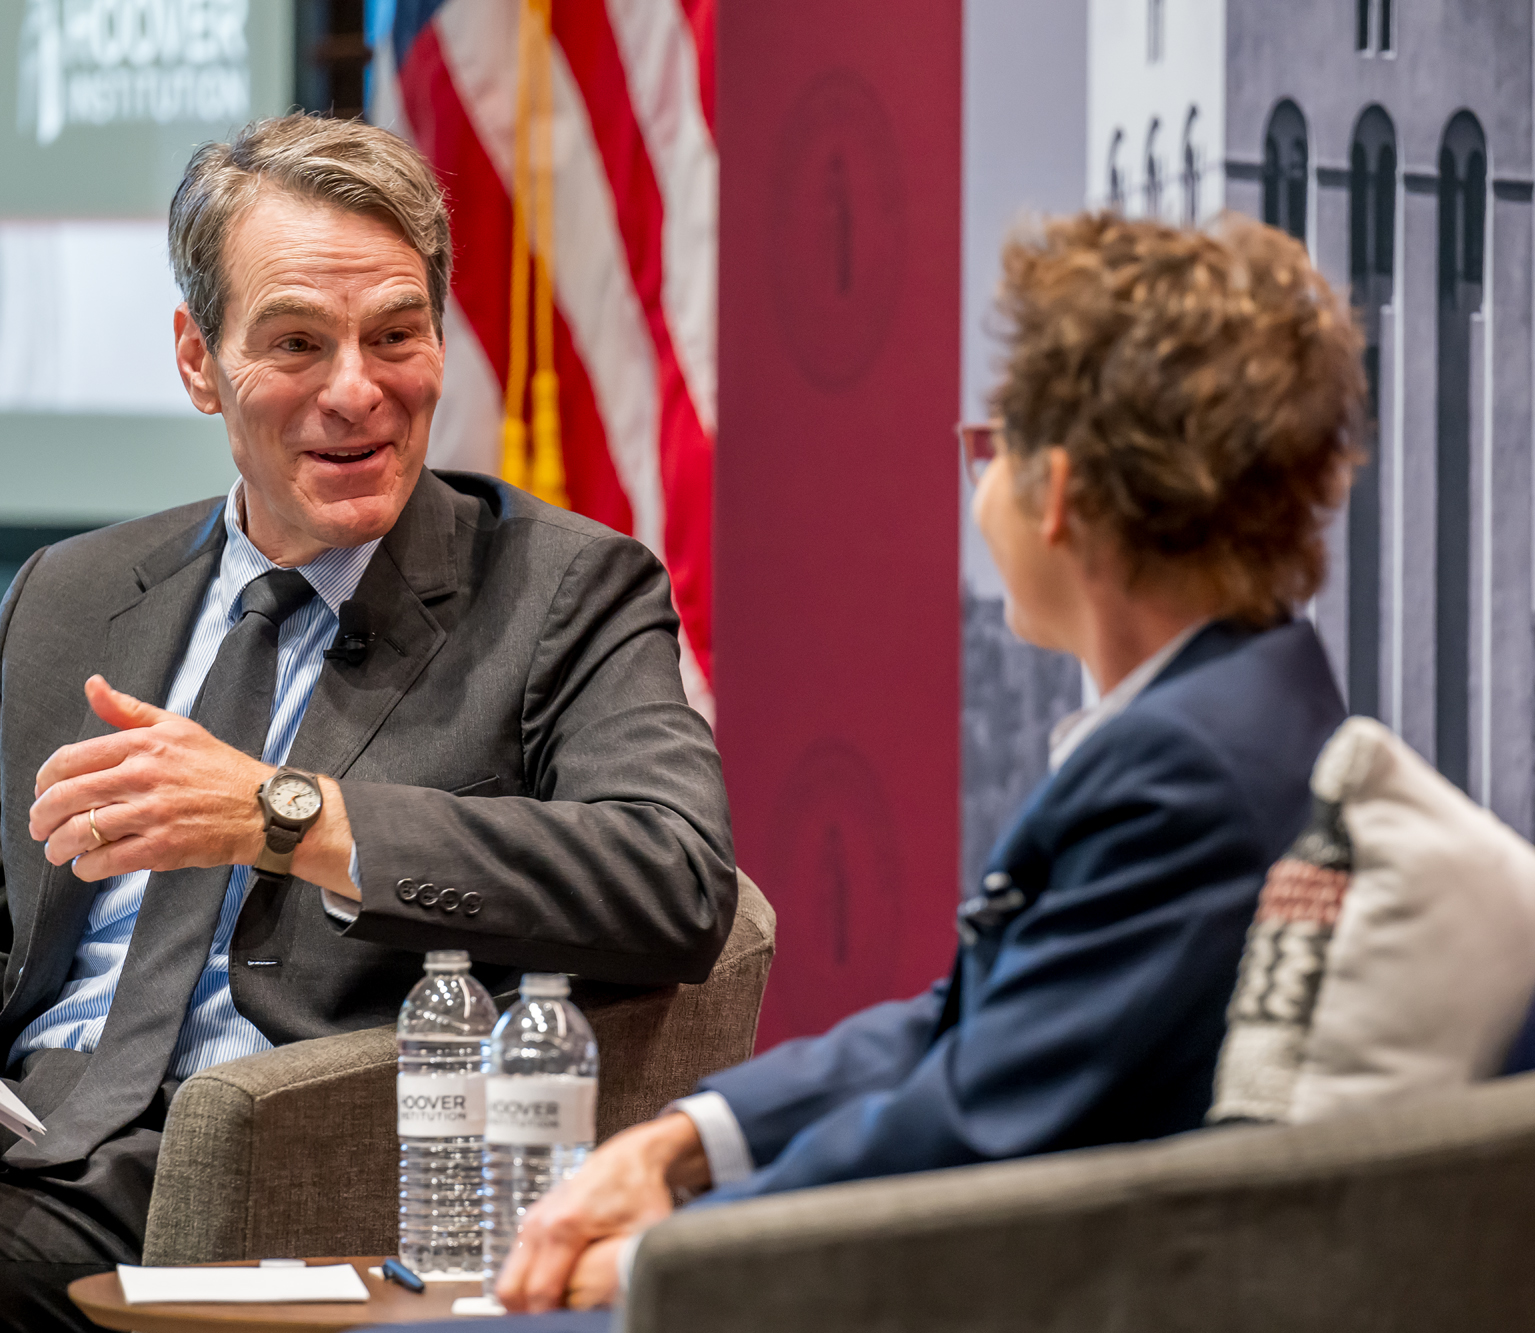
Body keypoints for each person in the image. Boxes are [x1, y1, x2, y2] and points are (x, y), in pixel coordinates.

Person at [0, 115, 734, 1333]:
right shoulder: (72, 595)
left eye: (395, 335)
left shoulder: (559, 592)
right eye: (295, 341)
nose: (355, 389)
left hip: (226, 1157)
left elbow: (676, 880)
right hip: (5, 1122)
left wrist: (289, 816)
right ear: (196, 359)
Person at [480, 210, 1367, 1324]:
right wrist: (685, 1141)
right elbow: (967, 1020)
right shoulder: (1243, 705)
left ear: (1056, 492)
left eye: (985, 447)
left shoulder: (1181, 769)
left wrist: (678, 1254)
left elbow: (979, 1121)